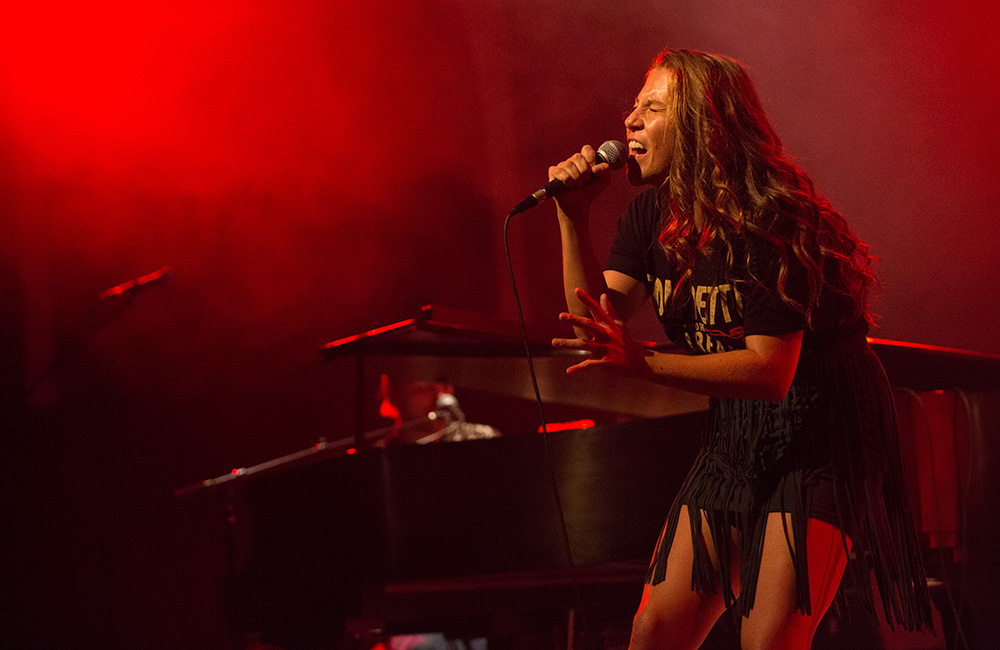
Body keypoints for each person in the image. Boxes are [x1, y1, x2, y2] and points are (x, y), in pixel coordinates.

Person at [545, 49, 931, 650]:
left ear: (704, 124)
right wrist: (573, 216)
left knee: (768, 637)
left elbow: (771, 370)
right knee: (655, 631)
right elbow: (591, 322)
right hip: (738, 432)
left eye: (652, 108)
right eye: (633, 107)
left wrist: (640, 359)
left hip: (824, 428)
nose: (628, 122)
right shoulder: (650, 218)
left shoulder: (770, 219)